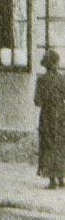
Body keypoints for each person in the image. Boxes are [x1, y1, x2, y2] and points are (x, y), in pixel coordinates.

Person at [35, 48, 65, 190]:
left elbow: (37, 101)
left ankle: (52, 180)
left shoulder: (41, 79)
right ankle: (61, 178)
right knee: (61, 144)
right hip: (61, 115)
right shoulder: (62, 79)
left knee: (48, 144)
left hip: (47, 116)